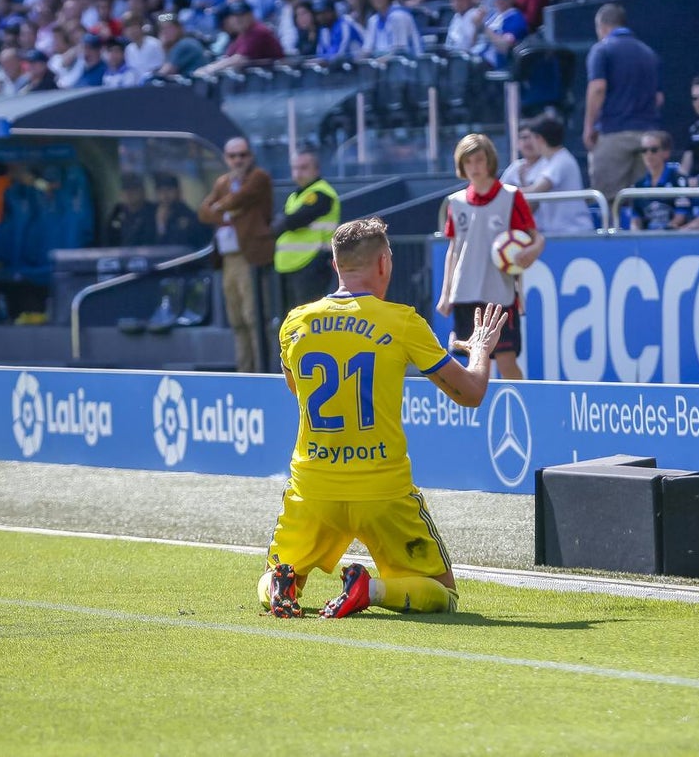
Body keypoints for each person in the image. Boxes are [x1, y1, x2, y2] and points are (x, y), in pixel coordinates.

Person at [261, 217, 510, 619]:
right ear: (383, 263)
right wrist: (480, 349)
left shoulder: (295, 322)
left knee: (275, 573)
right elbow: (472, 394)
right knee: (441, 593)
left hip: (314, 487)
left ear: (336, 266)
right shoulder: (401, 321)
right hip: (382, 489)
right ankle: (369, 589)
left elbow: (297, 390)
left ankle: (279, 584)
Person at [436, 134, 545, 380]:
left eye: (479, 160)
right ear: (461, 166)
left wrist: (531, 251)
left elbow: (536, 237)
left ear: (490, 162)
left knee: (506, 361)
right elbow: (454, 250)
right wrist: (446, 294)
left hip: (500, 292)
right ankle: (482, 415)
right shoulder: (456, 202)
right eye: (468, 162)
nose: (474, 167)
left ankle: (520, 409)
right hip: (465, 292)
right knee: (476, 364)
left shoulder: (510, 196)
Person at [198, 137, 275, 373]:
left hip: (249, 255)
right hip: (228, 257)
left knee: (254, 317)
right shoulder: (223, 182)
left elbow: (240, 199)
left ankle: (262, 370)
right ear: (226, 158)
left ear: (250, 156)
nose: (238, 160)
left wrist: (221, 208)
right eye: (233, 156)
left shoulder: (259, 177)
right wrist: (227, 213)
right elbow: (203, 212)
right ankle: (245, 371)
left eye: (242, 155)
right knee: (237, 318)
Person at [582, 2, 662, 203]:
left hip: (613, 134)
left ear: (602, 26)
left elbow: (598, 88)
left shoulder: (601, 50)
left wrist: (589, 126)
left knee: (607, 203)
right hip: (648, 138)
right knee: (642, 204)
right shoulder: (649, 53)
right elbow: (659, 98)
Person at [272, 149, 340, 313]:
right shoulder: (296, 196)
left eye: (304, 168)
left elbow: (293, 220)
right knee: (290, 319)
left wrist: (279, 224)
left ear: (316, 169)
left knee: (308, 318)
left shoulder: (321, 194)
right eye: (295, 168)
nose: (298, 172)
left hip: (311, 263)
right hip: (290, 264)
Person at [519, 114, 595, 235]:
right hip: (555, 233)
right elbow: (533, 203)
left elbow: (536, 190)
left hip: (575, 233)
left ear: (540, 139)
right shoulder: (547, 162)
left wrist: (503, 192)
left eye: (532, 137)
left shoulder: (562, 160)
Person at [628, 129, 690, 230]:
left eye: (653, 150)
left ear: (666, 153)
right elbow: (636, 219)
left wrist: (664, 232)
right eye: (644, 150)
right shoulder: (638, 185)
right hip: (647, 239)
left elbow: (681, 216)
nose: (648, 154)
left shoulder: (679, 180)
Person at [152, 173, 209, 247]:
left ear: (178, 191)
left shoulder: (188, 216)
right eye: (161, 191)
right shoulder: (151, 214)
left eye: (169, 190)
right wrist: (160, 225)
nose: (165, 195)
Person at [106, 172, 157, 247]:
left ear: (142, 191)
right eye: (125, 189)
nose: (128, 193)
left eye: (133, 189)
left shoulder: (153, 211)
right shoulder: (117, 211)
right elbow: (108, 241)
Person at [154, 12, 207, 78]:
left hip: (198, 85)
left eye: (169, 28)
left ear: (179, 29)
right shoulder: (178, 45)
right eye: (162, 28)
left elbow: (164, 73)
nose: (165, 32)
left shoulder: (185, 44)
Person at [499, 120, 545, 188]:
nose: (528, 142)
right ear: (517, 143)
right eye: (524, 137)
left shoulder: (548, 164)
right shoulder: (516, 166)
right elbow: (500, 190)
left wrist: (523, 182)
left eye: (532, 137)